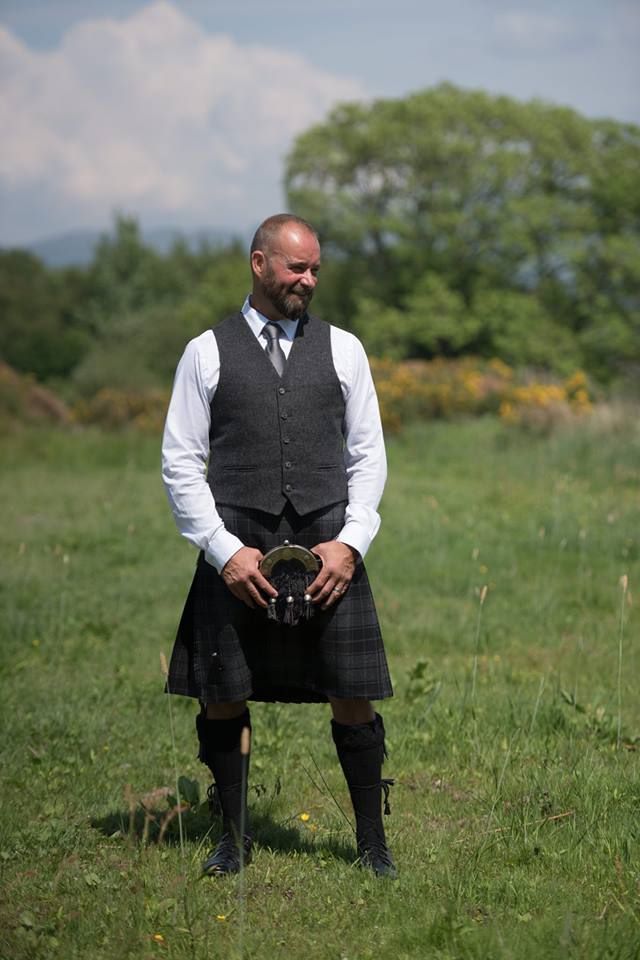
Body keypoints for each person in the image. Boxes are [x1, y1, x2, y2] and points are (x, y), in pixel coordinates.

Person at [161, 213, 395, 878]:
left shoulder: (345, 349)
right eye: (297, 267)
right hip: (236, 546)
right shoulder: (206, 352)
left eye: (316, 268)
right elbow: (181, 462)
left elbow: (368, 456)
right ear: (259, 263)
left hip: (328, 546)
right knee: (223, 692)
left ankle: (372, 845)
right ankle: (232, 839)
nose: (309, 280)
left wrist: (351, 544)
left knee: (352, 691)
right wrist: (223, 551)